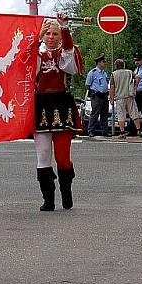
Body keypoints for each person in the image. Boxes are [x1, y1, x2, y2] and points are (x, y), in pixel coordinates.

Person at [33, 14, 83, 212]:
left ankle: (66, 191)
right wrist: (35, 41)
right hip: (41, 104)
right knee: (43, 154)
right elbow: (29, 70)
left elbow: (69, 67)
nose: (51, 37)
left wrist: (65, 29)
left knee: (62, 157)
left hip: (62, 105)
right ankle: (48, 199)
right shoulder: (36, 53)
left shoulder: (66, 52)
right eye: (47, 33)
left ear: (60, 36)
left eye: (55, 34)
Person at [110, 59, 142, 138]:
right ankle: (139, 130)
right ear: (123, 65)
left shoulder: (113, 74)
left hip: (119, 97)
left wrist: (111, 97)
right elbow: (138, 77)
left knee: (121, 114)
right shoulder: (129, 72)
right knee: (134, 112)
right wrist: (135, 86)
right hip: (129, 95)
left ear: (116, 66)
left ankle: (122, 131)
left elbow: (112, 87)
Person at [85, 54, 110, 136]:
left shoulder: (104, 73)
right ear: (99, 63)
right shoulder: (92, 73)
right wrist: (94, 91)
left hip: (104, 96)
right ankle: (91, 130)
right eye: (103, 62)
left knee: (104, 114)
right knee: (95, 114)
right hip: (97, 96)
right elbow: (87, 85)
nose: (104, 63)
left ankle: (105, 131)